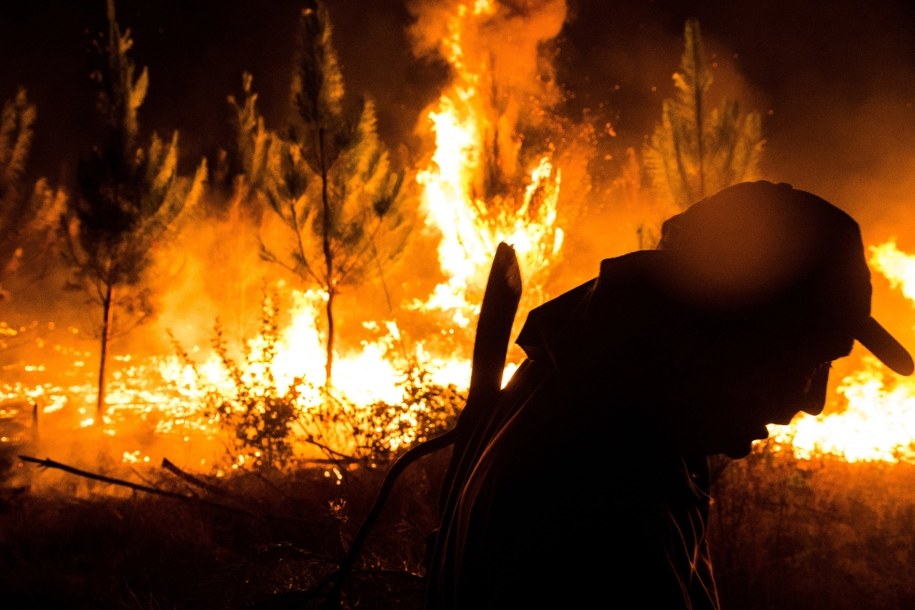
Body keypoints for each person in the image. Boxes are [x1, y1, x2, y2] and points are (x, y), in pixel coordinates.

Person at [422, 180, 914, 609]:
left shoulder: (586, 395)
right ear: (732, 333)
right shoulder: (610, 497)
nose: (813, 403)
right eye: (811, 364)